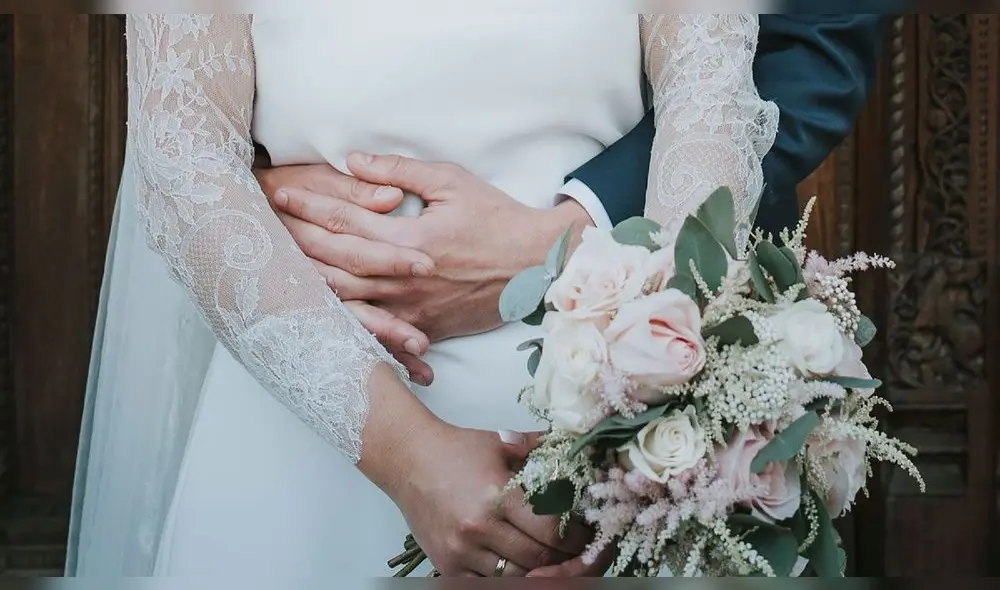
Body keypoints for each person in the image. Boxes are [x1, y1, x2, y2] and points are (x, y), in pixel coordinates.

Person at [67, 13, 778, 578]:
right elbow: (182, 164)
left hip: (593, 427)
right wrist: (407, 455)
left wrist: (624, 465)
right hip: (305, 437)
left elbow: (709, 105)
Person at [254, 15, 888, 385]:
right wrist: (250, 201)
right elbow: (184, 140)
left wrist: (572, 247)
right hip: (314, 360)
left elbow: (806, 48)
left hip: (607, 359)